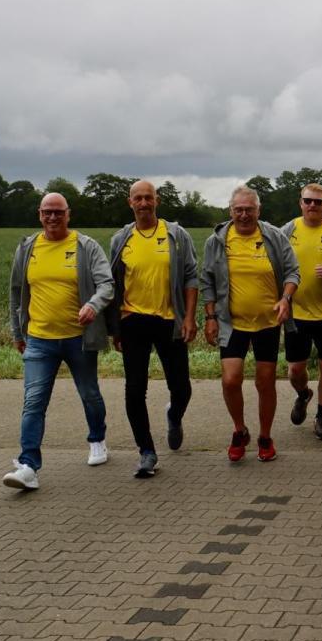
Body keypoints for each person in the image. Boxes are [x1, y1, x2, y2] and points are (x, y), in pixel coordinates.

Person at [4, 193, 114, 491]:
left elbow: (107, 283)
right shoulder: (28, 248)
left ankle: (97, 439)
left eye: (58, 213)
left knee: (89, 393)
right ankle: (28, 466)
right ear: (39, 214)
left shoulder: (86, 246)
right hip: (39, 339)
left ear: (69, 214)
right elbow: (17, 292)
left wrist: (92, 305)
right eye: (47, 212)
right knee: (33, 402)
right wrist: (18, 332)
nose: (52, 218)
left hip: (78, 338)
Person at [200, 185, 299, 463]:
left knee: (265, 381)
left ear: (259, 210)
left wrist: (286, 299)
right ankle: (239, 429)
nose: (244, 215)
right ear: (230, 211)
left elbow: (293, 271)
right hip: (231, 323)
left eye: (249, 210)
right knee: (231, 380)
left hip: (267, 322)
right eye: (238, 210)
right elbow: (207, 280)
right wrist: (209, 317)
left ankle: (265, 436)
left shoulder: (274, 237)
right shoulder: (217, 241)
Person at [107, 180, 198, 478]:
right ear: (129, 203)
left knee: (181, 387)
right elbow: (113, 283)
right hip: (132, 321)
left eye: (148, 198)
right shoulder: (121, 238)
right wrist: (114, 327)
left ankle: (174, 414)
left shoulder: (175, 234)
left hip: (169, 320)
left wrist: (189, 318)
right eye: (138, 198)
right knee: (134, 390)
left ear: (157, 200)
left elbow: (190, 278)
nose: (144, 203)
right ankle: (146, 452)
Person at [281, 184, 322, 440]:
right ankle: (303, 394)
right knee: (295, 369)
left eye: (317, 202)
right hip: (297, 312)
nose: (312, 206)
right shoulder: (287, 231)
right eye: (308, 201)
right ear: (300, 203)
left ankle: (321, 416)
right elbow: (276, 268)